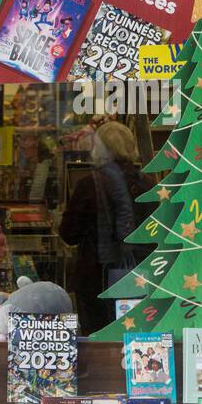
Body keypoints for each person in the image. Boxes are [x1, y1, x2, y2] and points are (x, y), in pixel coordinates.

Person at [59, 121, 154, 334]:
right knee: (135, 334)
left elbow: (69, 234)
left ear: (99, 148)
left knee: (98, 338)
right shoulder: (148, 184)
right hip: (138, 274)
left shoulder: (88, 184)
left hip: (96, 277)